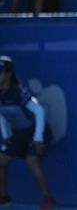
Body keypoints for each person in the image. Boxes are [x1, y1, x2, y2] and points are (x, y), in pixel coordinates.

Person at [0, 55, 56, 210]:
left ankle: (48, 199)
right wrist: (6, 135)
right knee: (1, 161)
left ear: (8, 74)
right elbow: (1, 114)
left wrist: (37, 138)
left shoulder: (17, 93)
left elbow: (39, 111)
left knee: (32, 161)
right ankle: (4, 198)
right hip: (19, 134)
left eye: (0, 72)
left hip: (38, 131)